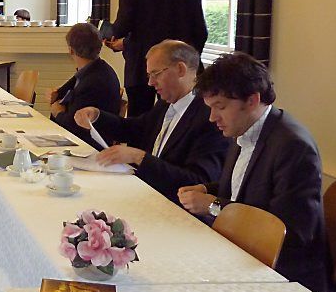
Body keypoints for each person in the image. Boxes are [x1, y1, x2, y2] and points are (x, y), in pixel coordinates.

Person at [177, 53, 328, 292]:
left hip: (280, 275)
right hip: (239, 252)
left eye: (220, 107)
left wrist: (215, 206)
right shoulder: (245, 128)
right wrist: (208, 189)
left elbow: (291, 232)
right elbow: (246, 187)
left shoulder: (293, 147)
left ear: (252, 100)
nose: (212, 118)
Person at [73, 40, 229, 202]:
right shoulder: (166, 103)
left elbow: (197, 182)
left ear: (180, 69)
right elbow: (135, 128)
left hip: (170, 205)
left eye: (156, 74)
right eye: (149, 75)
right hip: (144, 191)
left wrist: (139, 157)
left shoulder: (210, 117)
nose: (150, 82)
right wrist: (97, 116)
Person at [108, 0, 207, 116]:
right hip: (179, 68)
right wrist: (190, 60)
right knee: (179, 120)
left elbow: (122, 27)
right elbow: (200, 29)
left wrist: (110, 34)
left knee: (139, 121)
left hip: (142, 68)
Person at [49, 22, 122, 146]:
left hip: (89, 144)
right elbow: (67, 88)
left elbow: (77, 125)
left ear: (71, 50)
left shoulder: (94, 81)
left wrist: (58, 113)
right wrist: (57, 93)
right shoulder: (97, 68)